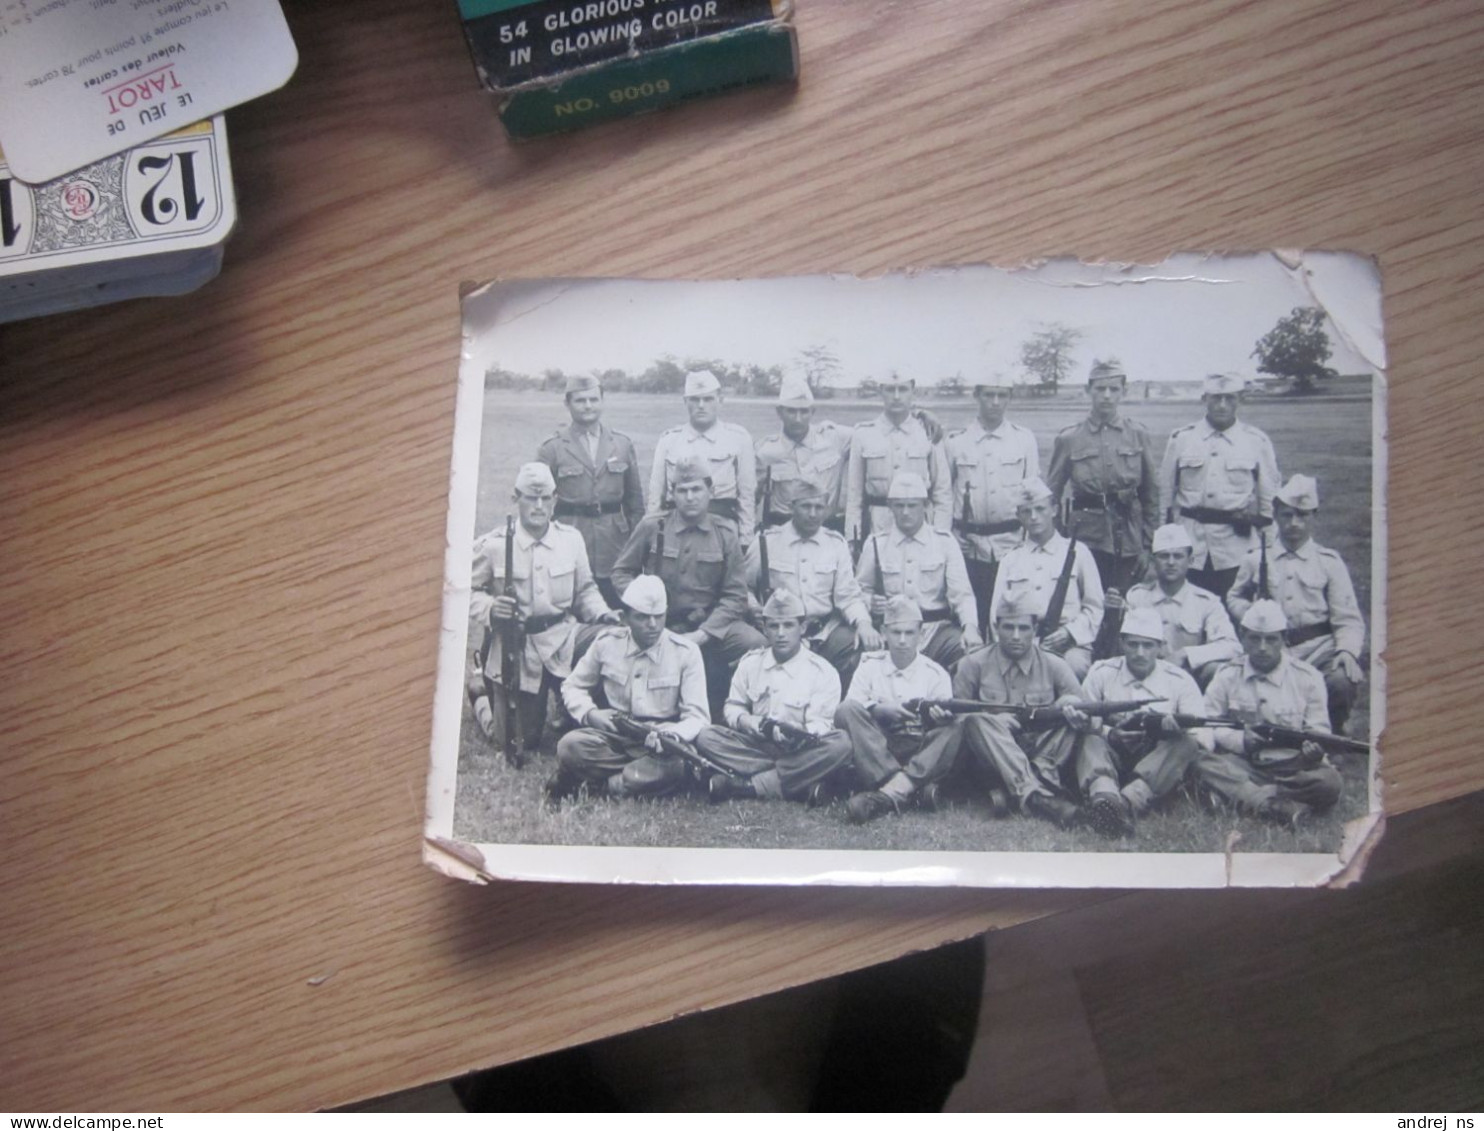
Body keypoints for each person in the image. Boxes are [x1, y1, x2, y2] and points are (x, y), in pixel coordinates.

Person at [467, 463, 620, 761]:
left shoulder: (570, 540)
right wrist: (489, 608)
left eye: (545, 498)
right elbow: (462, 590)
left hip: (565, 637)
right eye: (530, 498)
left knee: (609, 639)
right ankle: (480, 696)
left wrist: (602, 615)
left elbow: (586, 589)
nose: (539, 506)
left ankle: (577, 709)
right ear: (516, 498)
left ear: (555, 500)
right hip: (520, 648)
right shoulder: (494, 546)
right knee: (517, 740)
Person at [611, 457, 766, 717]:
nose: (690, 497)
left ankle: (737, 710)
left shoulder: (725, 533)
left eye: (696, 489)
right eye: (682, 491)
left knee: (755, 645)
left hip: (709, 625)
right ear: (672, 494)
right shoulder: (653, 526)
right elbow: (621, 572)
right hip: (659, 622)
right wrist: (644, 605)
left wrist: (703, 634)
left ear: (711, 492)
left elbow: (735, 596)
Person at [546, 575, 711, 801]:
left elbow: (698, 717)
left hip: (660, 745)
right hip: (615, 738)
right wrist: (590, 714)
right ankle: (630, 782)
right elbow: (573, 685)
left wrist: (671, 734)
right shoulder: (607, 643)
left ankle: (600, 785)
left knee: (678, 764)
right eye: (642, 617)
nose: (652, 625)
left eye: (659, 616)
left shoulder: (686, 652)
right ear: (625, 617)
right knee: (570, 746)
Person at [1225, 474, 1366, 733]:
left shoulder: (1329, 562)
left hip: (1317, 649)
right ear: (1276, 516)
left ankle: (1331, 732)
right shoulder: (1256, 559)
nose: (1294, 524)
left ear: (1314, 517)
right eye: (1287, 515)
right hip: (1270, 646)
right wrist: (1251, 614)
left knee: (1341, 680)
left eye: (1302, 516)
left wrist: (1346, 651)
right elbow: (1235, 596)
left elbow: (1347, 619)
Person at [694, 591, 856, 805]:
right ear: (764, 628)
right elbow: (733, 706)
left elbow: (822, 725)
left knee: (841, 744)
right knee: (706, 736)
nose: (781, 634)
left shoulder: (822, 672)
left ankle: (746, 786)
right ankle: (800, 782)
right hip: (756, 747)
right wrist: (746, 720)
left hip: (800, 750)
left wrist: (797, 734)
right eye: (774, 626)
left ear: (803, 628)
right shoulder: (750, 663)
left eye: (788, 626)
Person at [1196, 599, 1342, 826]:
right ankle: (1272, 805)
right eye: (1255, 638)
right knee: (1200, 763)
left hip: (1293, 768)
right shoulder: (1227, 674)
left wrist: (1312, 751)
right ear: (1243, 638)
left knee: (1330, 782)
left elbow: (1318, 729)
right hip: (1245, 763)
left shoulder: (1307, 677)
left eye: (1271, 639)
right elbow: (1207, 723)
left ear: (1284, 640)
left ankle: (1246, 796)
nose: (1262, 647)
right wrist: (1241, 740)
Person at [950, 590, 1086, 829]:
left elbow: (1089, 717)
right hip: (990, 759)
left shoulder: (1055, 665)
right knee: (975, 722)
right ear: (996, 627)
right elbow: (956, 725)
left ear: (1035, 630)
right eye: (1008, 627)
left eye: (1023, 628)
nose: (1015, 636)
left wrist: (1070, 705)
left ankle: (1017, 792)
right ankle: (1037, 797)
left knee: (1069, 718)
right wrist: (992, 721)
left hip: (1041, 755)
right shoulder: (973, 664)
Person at [1073, 607, 1213, 839]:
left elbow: (1204, 737)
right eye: (1133, 644)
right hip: (1112, 755)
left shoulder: (1179, 681)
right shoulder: (1102, 673)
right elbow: (1085, 719)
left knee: (1186, 744)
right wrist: (1110, 734)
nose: (1140, 653)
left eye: (1148, 646)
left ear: (1160, 647)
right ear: (1121, 643)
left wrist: (1171, 732)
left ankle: (1126, 804)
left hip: (1155, 765)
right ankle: (1104, 796)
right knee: (1088, 739)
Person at [835, 596, 965, 824]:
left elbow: (944, 720)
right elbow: (851, 709)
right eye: (896, 633)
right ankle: (904, 786)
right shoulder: (869, 667)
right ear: (884, 632)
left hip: (919, 748)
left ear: (921, 634)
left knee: (956, 726)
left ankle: (883, 795)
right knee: (846, 709)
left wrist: (939, 719)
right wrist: (877, 710)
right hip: (879, 748)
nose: (903, 641)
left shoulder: (935, 674)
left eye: (909, 633)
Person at [1158, 372, 1281, 599]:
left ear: (1240, 399)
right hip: (1190, 545)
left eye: (1229, 398)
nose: (1222, 405)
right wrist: (1165, 544)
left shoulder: (1256, 441)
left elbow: (1269, 505)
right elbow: (1165, 497)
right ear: (1204, 399)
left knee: (1234, 611)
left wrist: (1269, 551)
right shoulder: (1181, 439)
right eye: (1215, 398)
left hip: (1236, 548)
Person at [1047, 358, 1158, 608]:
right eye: (1100, 389)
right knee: (1086, 606)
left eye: (1114, 389)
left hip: (1128, 538)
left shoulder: (1138, 434)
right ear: (1088, 390)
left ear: (1123, 391)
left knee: (1125, 608)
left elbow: (1151, 494)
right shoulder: (1070, 438)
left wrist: (1148, 545)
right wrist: (1056, 543)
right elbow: (1051, 496)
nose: (1106, 396)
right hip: (1086, 539)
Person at [746, 481, 880, 681]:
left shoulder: (835, 544)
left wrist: (864, 623)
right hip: (781, 632)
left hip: (823, 634)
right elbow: (743, 586)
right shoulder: (767, 541)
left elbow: (848, 596)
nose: (812, 514)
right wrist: (753, 607)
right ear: (792, 507)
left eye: (819, 507)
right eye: (806, 506)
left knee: (859, 646)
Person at [536, 374, 646, 607]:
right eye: (580, 400)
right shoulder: (552, 448)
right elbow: (539, 505)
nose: (588, 406)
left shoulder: (622, 444)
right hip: (570, 542)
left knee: (618, 612)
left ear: (602, 401)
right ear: (567, 404)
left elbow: (635, 504)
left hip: (615, 546)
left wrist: (638, 551)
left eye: (594, 399)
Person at [855, 470, 981, 671]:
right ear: (890, 507)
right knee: (860, 652)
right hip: (892, 632)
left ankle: (948, 702)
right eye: (899, 505)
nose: (905, 512)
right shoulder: (877, 544)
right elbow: (859, 591)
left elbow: (962, 595)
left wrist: (970, 627)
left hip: (935, 631)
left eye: (912, 505)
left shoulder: (944, 542)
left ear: (925, 506)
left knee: (966, 651)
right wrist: (870, 602)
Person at [945, 379, 1041, 632]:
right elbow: (944, 495)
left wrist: (1031, 541)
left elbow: (1033, 496)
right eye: (989, 394)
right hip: (968, 546)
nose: (995, 402)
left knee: (1010, 617)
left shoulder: (1024, 440)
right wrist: (948, 539)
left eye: (1002, 395)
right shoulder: (956, 442)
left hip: (1011, 544)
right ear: (977, 395)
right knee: (970, 617)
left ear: (1010, 396)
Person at [989, 477, 1103, 679]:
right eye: (1026, 511)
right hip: (1023, 641)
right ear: (1018, 516)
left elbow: (1094, 607)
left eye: (1040, 509)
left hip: (1069, 644)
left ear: (1054, 510)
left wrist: (1070, 633)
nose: (1034, 517)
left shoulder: (1078, 552)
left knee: (1074, 666)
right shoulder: (1011, 559)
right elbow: (996, 614)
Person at [1120, 522, 1241, 688]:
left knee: (1218, 669)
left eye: (1178, 556)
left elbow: (1232, 646)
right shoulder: (1138, 597)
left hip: (1188, 680)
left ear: (1190, 560)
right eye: (1164, 556)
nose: (1171, 562)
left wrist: (1186, 654)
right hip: (1143, 677)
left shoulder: (1206, 602)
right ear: (1153, 561)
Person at [845, 373, 952, 553]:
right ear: (881, 392)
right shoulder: (863, 434)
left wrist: (940, 536)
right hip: (877, 526)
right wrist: (853, 538)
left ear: (913, 392)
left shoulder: (927, 431)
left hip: (921, 527)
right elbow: (854, 494)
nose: (896, 396)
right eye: (890, 390)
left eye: (902, 389)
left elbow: (942, 492)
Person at [648, 370, 757, 543]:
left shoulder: (738, 439)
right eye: (694, 399)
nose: (701, 405)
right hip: (676, 528)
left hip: (721, 528)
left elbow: (747, 496)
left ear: (720, 400)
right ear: (685, 401)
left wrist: (745, 540)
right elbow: (656, 498)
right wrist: (652, 537)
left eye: (708, 399)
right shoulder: (669, 440)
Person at [753, 374, 852, 533]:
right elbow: (751, 498)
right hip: (782, 530)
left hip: (827, 529)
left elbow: (870, 439)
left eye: (804, 411)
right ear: (779, 412)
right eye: (791, 411)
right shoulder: (765, 451)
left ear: (813, 411)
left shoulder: (835, 438)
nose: (798, 419)